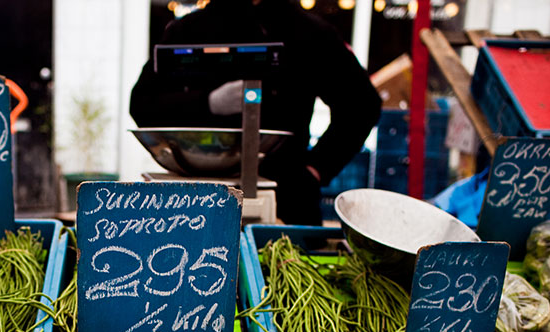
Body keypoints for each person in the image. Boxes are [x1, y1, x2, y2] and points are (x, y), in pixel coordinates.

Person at [130, 0, 381, 225]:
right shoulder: (187, 31)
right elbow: (142, 104)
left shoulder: (308, 33)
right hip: (193, 195)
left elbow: (362, 105)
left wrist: (315, 169)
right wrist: (208, 103)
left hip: (285, 196)